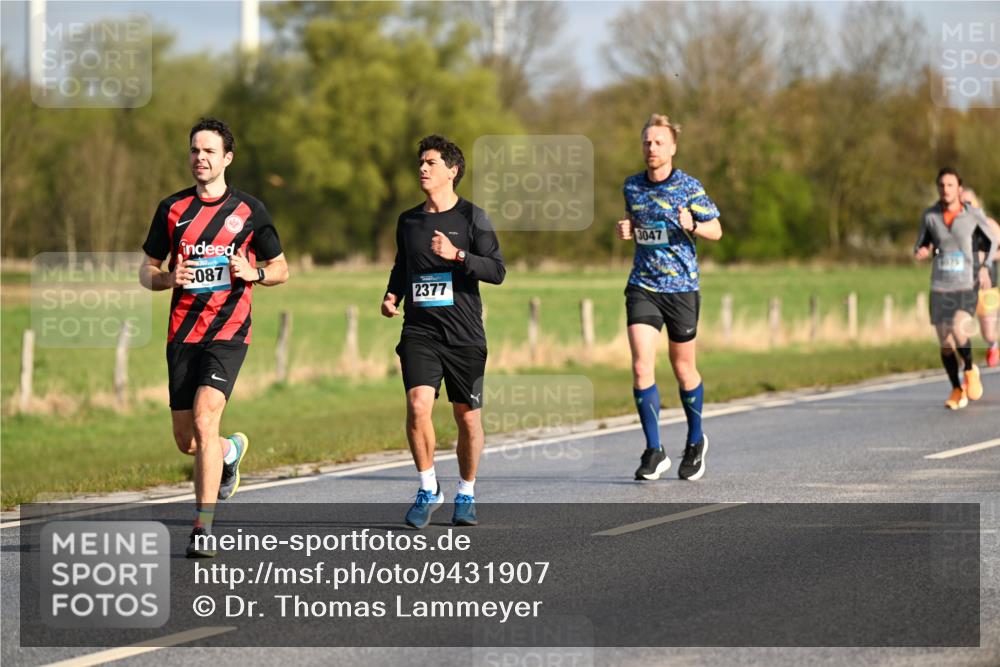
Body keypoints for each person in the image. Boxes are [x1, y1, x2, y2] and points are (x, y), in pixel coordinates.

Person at [140, 117, 289, 556]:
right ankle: (229, 451)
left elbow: (282, 269)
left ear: (227, 158)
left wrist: (255, 272)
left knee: (206, 418)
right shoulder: (171, 210)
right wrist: (168, 278)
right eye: (194, 150)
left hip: (228, 332)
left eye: (208, 151)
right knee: (188, 439)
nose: (199, 158)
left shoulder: (250, 211)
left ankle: (202, 529)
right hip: (182, 334)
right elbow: (145, 271)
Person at [381, 135, 505, 528]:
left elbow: (497, 270)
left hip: (464, 335)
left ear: (452, 171)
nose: (422, 168)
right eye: (420, 162)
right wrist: (392, 293)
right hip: (420, 331)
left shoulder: (474, 219)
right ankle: (427, 487)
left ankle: (466, 491)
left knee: (467, 418)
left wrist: (459, 256)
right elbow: (403, 265)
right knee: (418, 407)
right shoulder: (409, 220)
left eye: (430, 162)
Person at [616, 114, 722, 481]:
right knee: (642, 365)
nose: (652, 148)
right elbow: (635, 220)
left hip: (682, 289)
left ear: (673, 147)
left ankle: (695, 441)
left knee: (683, 368)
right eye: (647, 142)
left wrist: (693, 224)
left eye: (659, 142)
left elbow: (717, 230)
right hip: (643, 286)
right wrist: (627, 227)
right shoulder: (632, 186)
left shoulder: (689, 187)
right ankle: (654, 449)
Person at [914, 168, 997, 409]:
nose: (945, 189)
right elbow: (922, 241)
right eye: (941, 185)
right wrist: (921, 250)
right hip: (940, 285)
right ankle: (956, 388)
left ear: (958, 189)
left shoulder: (972, 215)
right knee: (945, 342)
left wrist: (984, 267)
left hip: (965, 283)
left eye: (950, 185)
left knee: (959, 328)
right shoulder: (930, 216)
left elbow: (991, 241)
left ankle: (970, 370)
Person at [961, 188, 1000, 367]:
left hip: (988, 287)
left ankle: (993, 346)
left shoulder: (990, 225)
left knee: (989, 334)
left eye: (969, 203)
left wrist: (986, 257)